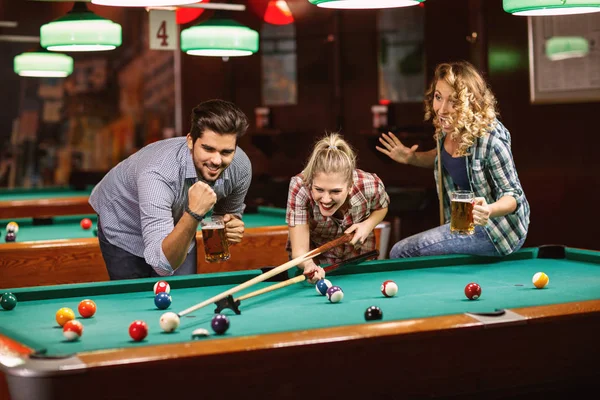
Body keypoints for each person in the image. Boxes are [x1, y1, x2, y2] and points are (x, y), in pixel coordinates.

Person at [376, 61, 530, 258]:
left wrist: (488, 210)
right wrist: (411, 157)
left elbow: (513, 196)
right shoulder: (447, 128)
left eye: (454, 101)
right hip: (461, 223)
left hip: (496, 230)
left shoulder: (491, 141)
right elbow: (443, 158)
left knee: (401, 251)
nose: (442, 109)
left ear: (471, 103)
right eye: (438, 97)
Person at [89, 99, 252, 280]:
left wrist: (229, 228)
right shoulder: (158, 172)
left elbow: (225, 216)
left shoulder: (240, 167)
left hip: (178, 220)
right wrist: (193, 213)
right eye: (208, 148)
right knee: (135, 297)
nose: (216, 160)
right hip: (124, 222)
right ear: (190, 141)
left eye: (226, 152)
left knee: (182, 294)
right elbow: (162, 266)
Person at [286, 133, 390, 283]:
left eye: (335, 191)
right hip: (317, 264)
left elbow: (381, 207)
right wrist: (309, 265)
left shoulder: (370, 185)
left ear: (350, 186)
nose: (326, 199)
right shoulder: (300, 187)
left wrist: (367, 225)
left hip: (361, 259)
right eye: (319, 190)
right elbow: (300, 251)